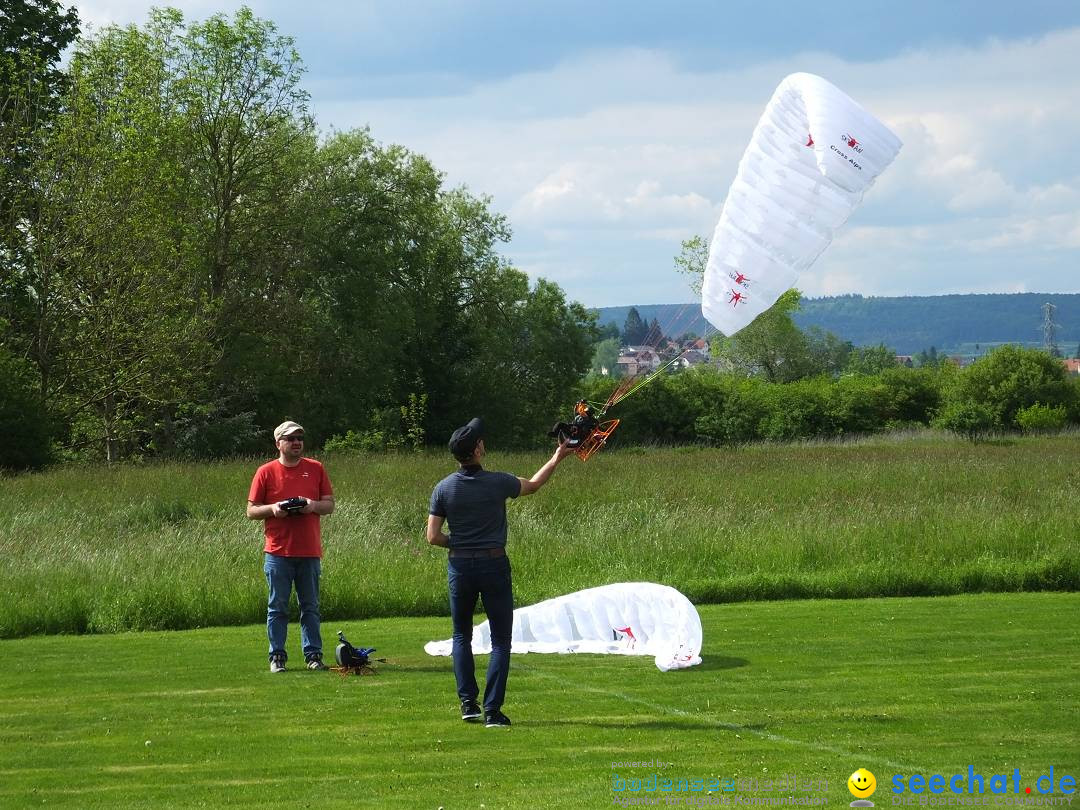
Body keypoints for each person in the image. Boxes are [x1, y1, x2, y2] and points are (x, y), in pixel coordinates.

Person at [427, 417, 574, 727]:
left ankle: (469, 703)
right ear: (478, 450)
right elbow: (533, 485)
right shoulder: (499, 482)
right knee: (500, 641)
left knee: (460, 635)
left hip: (459, 565)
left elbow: (433, 537)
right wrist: (556, 457)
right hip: (493, 564)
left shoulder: (443, 488)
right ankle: (493, 711)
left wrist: (461, 542)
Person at [247, 420, 335, 673]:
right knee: (278, 607)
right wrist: (274, 509)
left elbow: (329, 504)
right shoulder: (265, 472)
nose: (297, 442)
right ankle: (277, 657)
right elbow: (251, 511)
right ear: (278, 443)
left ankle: (314, 655)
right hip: (278, 552)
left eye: (299, 438)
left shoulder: (316, 469)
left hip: (309, 551)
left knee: (310, 607)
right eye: (290, 438)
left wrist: (312, 505)